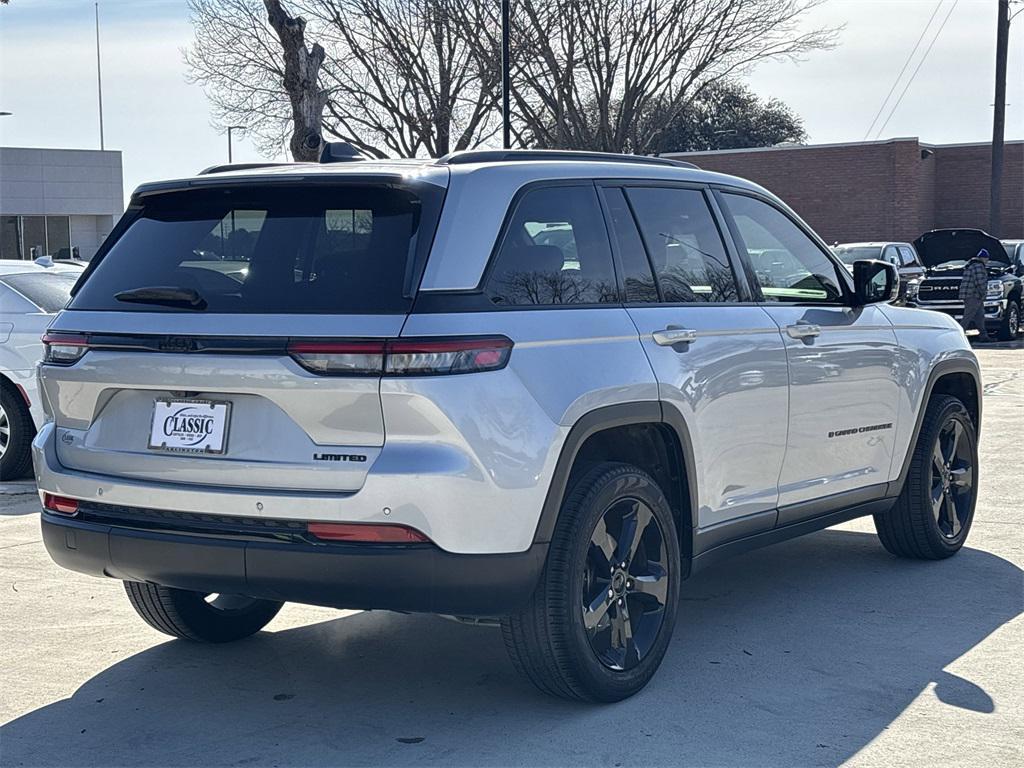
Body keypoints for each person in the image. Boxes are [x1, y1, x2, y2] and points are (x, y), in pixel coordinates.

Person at [959, 248, 990, 341]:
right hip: (973, 295)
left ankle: (984, 336)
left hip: (971, 295)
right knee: (968, 316)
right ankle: (958, 335)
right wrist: (983, 294)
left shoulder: (971, 265)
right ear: (983, 258)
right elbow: (980, 282)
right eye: (987, 259)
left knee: (980, 316)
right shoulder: (978, 266)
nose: (987, 261)